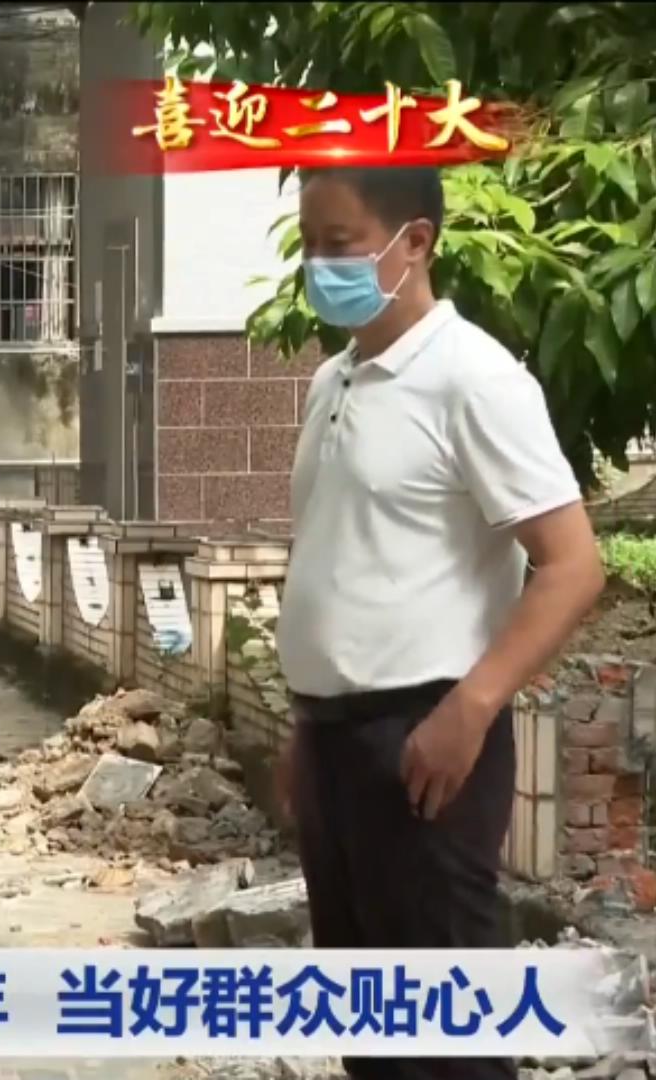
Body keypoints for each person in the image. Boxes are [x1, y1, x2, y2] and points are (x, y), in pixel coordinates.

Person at [276, 167, 605, 1080]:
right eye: (310, 243)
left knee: (447, 1037)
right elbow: (344, 560)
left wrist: (472, 707)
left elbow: (573, 565)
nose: (319, 266)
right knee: (371, 1034)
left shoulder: (473, 379)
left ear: (414, 242)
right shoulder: (334, 380)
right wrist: (310, 725)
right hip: (336, 742)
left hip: (427, 742)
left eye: (340, 245)